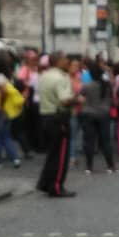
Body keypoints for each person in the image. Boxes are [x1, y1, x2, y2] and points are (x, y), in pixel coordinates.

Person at [36, 52, 83, 197]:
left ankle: (45, 183)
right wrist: (77, 99)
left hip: (46, 115)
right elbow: (64, 100)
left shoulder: (44, 75)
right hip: (59, 117)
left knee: (52, 153)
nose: (67, 62)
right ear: (58, 61)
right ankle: (56, 185)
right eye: (65, 59)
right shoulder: (61, 77)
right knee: (61, 155)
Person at [80, 60, 116, 175]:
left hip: (89, 114)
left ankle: (89, 167)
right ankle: (110, 166)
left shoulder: (87, 86)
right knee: (106, 141)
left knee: (89, 141)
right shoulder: (107, 85)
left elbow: (81, 98)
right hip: (104, 114)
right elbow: (111, 99)